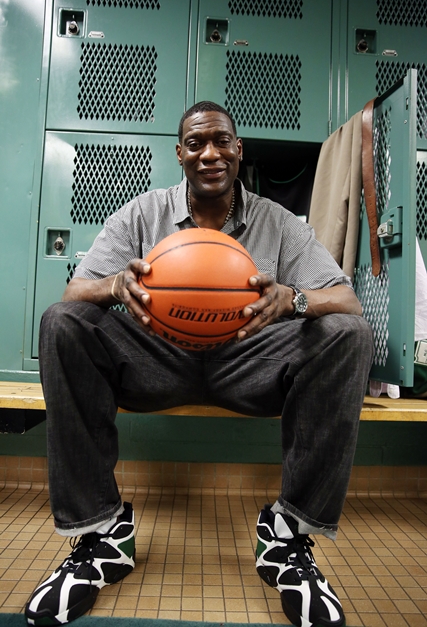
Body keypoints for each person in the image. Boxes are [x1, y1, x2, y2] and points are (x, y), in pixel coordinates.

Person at [25, 101, 373, 627]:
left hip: (248, 361)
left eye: (220, 142)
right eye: (195, 144)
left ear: (238, 150)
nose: (209, 153)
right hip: (157, 357)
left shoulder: (277, 222)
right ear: (180, 155)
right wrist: (114, 285)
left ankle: (288, 537)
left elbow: (345, 301)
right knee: (64, 321)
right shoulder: (145, 213)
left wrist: (293, 300)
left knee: (346, 334)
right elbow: (77, 290)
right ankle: (101, 535)